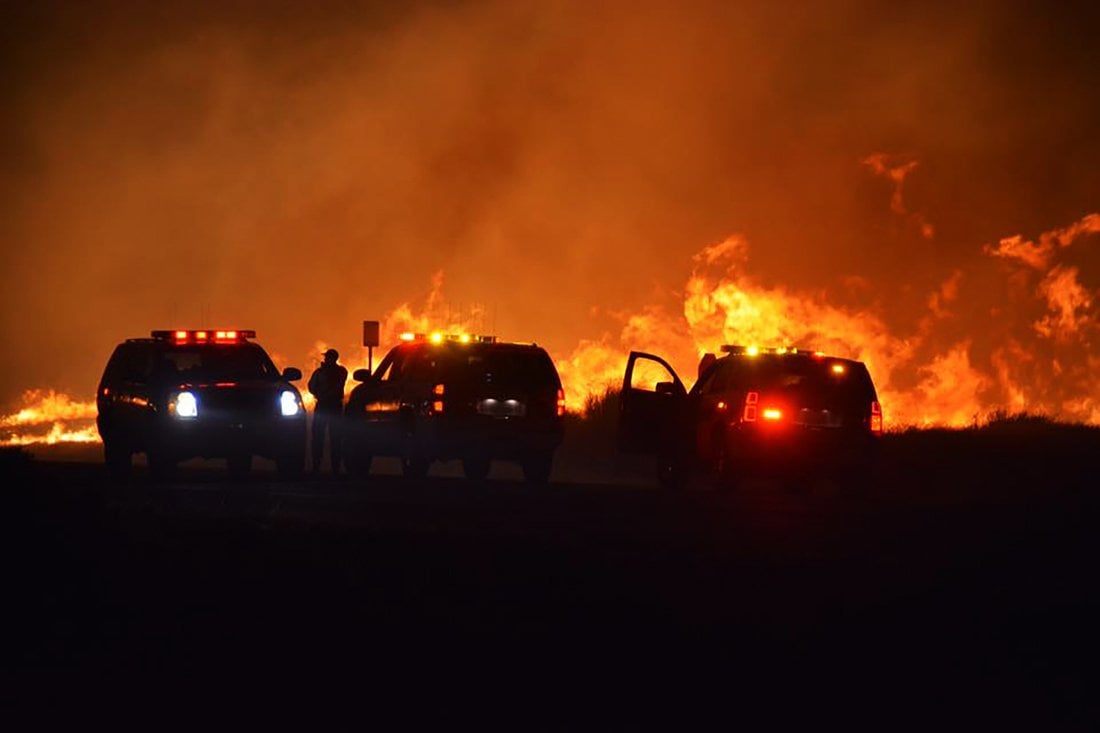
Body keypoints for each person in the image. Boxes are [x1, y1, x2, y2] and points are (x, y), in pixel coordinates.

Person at [308, 348, 348, 474]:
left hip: (325, 406)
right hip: (333, 406)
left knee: (321, 436)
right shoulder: (341, 371)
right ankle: (333, 466)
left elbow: (311, 386)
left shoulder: (322, 372)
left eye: (327, 357)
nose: (325, 359)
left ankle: (318, 465)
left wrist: (320, 393)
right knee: (334, 437)